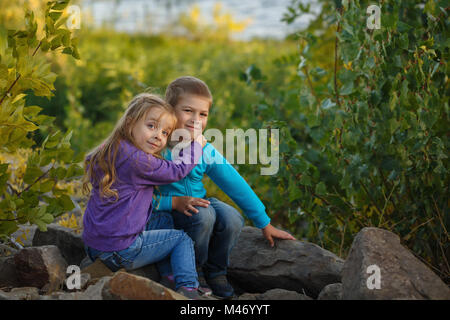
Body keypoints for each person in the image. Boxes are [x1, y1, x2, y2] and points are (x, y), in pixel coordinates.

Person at [153, 76, 296, 299]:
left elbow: (234, 183)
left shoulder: (204, 149)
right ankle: (193, 272)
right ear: (169, 110)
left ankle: (216, 271)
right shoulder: (156, 146)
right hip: (167, 212)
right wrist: (166, 202)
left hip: (197, 203)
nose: (196, 120)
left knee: (232, 217)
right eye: (188, 111)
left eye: (203, 114)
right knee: (203, 216)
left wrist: (263, 222)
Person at [81, 93, 207, 299]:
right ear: (130, 124)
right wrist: (197, 145)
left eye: (165, 132)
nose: (159, 136)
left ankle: (168, 276)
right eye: (152, 126)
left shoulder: (113, 147)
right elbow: (176, 171)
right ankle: (188, 288)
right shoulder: (138, 160)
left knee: (161, 218)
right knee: (180, 239)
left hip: (94, 244)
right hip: (118, 251)